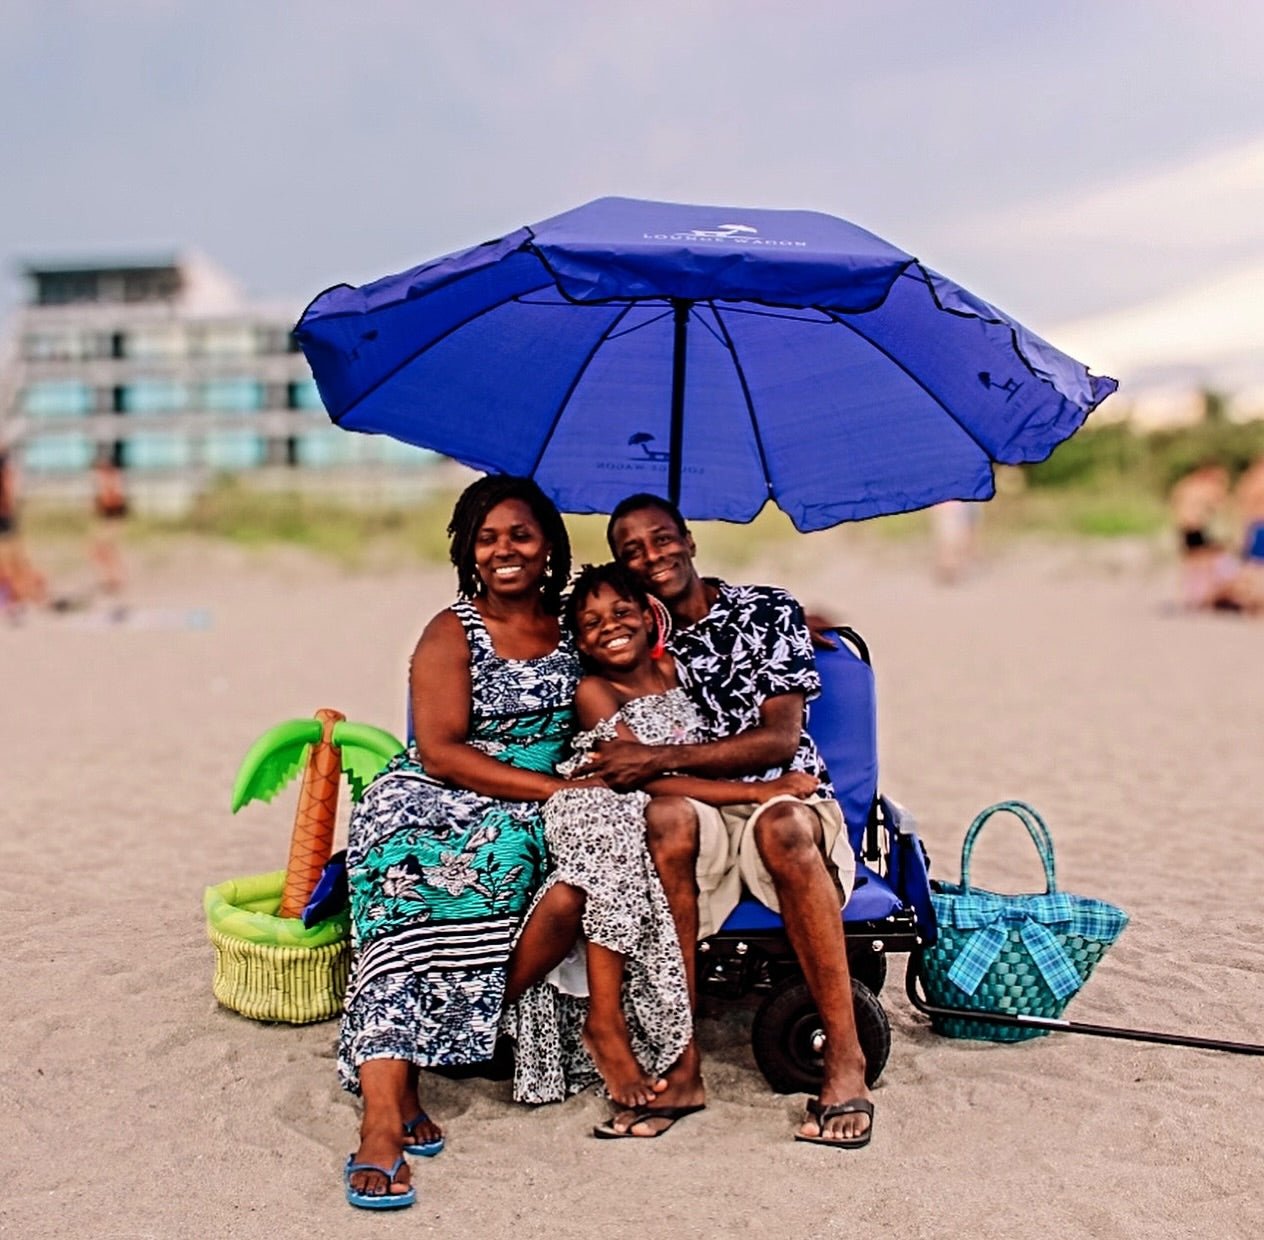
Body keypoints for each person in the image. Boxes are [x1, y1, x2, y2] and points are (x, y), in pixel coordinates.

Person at [578, 493, 875, 1149]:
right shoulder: (642, 640)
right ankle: (681, 1065)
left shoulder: (766, 610)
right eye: (633, 550)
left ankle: (846, 1061)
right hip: (704, 809)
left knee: (782, 829)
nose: (652, 556)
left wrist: (656, 755)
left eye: (661, 539)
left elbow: (776, 741)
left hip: (786, 797)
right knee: (666, 817)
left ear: (688, 540)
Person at [337, 475, 597, 1210]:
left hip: (529, 808)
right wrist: (555, 791)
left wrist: (810, 623)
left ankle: (424, 1052)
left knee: (511, 862)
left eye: (519, 534)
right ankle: (385, 1116)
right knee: (401, 867)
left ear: (548, 545)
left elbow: (664, 626)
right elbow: (442, 752)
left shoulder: (578, 623)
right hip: (439, 789)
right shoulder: (453, 629)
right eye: (487, 538)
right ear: (468, 552)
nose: (504, 549)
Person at [504, 562, 817, 1119]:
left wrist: (805, 622)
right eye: (592, 622)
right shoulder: (596, 691)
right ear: (578, 641)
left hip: (660, 810)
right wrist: (758, 794)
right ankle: (605, 1020)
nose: (609, 627)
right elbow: (643, 775)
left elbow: (734, 639)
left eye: (622, 613)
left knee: (650, 833)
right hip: (599, 803)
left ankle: (644, 1026)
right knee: (618, 847)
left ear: (651, 619)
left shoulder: (679, 672)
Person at [1169, 461, 1260, 613]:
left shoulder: (1187, 486)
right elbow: (1218, 503)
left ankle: (1196, 595)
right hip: (1195, 528)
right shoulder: (1203, 489)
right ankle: (1202, 595)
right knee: (1204, 560)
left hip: (1187, 528)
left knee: (1196, 561)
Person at [89, 448, 128, 601]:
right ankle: (111, 579)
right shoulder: (106, 479)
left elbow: (114, 501)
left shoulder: (111, 479)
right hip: (107, 518)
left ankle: (115, 579)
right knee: (100, 549)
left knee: (105, 549)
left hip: (111, 518)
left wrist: (101, 503)